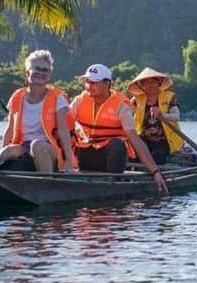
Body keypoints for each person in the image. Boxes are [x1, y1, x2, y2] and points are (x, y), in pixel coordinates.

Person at [70, 63, 168, 194]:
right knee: (67, 136)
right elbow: (63, 124)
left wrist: (155, 172)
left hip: (108, 159)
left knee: (118, 145)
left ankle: (114, 186)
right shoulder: (80, 100)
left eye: (94, 82)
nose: (89, 86)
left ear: (107, 84)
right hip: (85, 155)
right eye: (87, 82)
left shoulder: (121, 105)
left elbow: (135, 140)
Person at [0, 50, 76, 173]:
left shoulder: (58, 98)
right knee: (7, 152)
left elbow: (64, 132)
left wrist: (69, 162)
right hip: (24, 147)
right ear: (27, 73)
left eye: (45, 70)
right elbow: (9, 130)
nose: (41, 72)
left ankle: (47, 184)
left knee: (37, 145)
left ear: (49, 76)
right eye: (37, 69)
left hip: (48, 149)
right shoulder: (17, 96)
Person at [126, 67, 184, 166]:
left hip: (164, 140)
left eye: (153, 82)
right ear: (142, 86)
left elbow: (176, 116)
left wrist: (162, 115)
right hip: (143, 139)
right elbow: (126, 113)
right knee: (131, 155)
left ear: (159, 83)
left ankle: (153, 173)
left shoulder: (169, 97)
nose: (150, 85)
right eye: (147, 83)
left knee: (157, 157)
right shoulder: (136, 100)